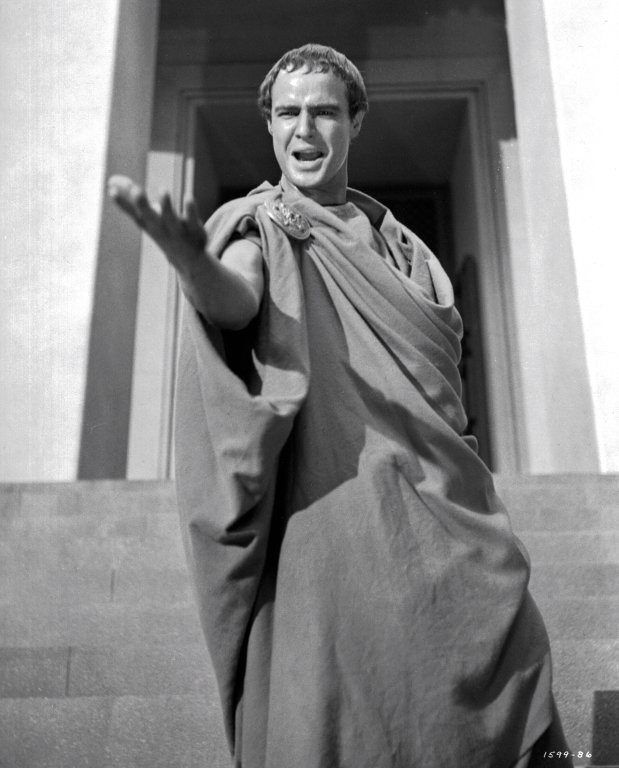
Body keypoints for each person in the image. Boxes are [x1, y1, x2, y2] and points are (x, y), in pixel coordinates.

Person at [109, 43, 571, 768]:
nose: (304, 129)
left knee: (503, 640)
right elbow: (239, 298)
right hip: (337, 504)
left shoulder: (404, 247)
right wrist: (195, 267)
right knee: (349, 710)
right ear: (268, 125)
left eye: (323, 112)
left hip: (444, 505)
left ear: (355, 121)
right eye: (286, 113)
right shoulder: (257, 224)